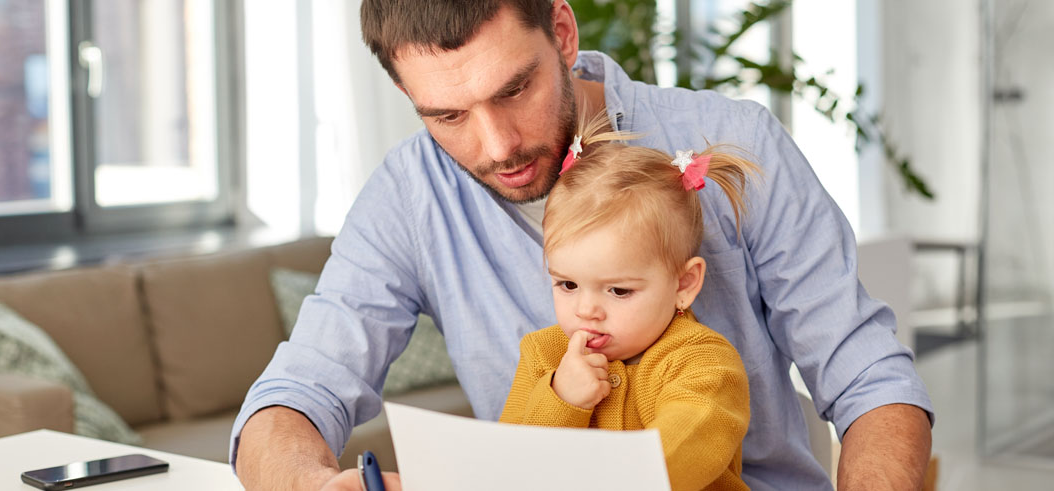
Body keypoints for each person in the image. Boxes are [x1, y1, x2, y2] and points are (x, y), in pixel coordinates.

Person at [232, 1, 934, 490]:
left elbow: (870, 380)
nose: (496, 144)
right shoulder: (409, 196)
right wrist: (308, 483)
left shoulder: (741, 143)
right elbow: (298, 390)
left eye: (515, 89)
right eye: (447, 114)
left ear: (562, 32)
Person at [498, 111, 756, 490]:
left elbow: (672, 458)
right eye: (567, 284)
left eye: (618, 291)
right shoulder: (544, 354)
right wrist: (560, 398)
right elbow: (509, 468)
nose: (586, 310)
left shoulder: (704, 365)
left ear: (684, 284)